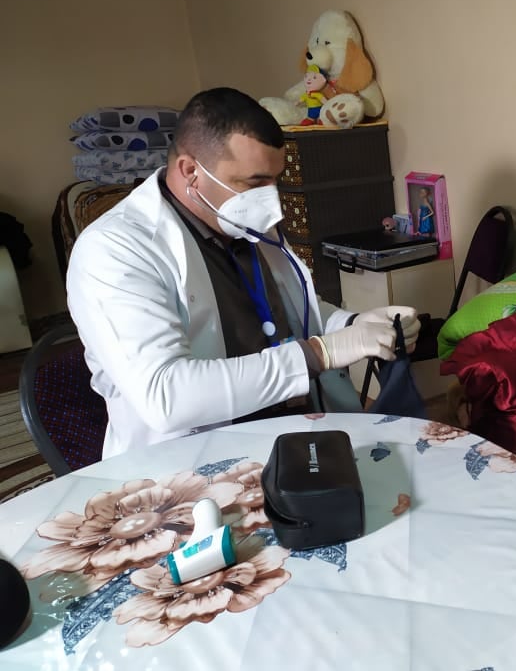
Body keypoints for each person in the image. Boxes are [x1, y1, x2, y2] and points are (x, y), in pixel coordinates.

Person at [67, 87, 420, 458]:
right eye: (255, 183)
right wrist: (318, 353)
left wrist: (352, 324)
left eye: (275, 179)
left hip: (296, 431)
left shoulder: (238, 218)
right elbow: (166, 396)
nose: (271, 199)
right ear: (191, 171)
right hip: (193, 460)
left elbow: (291, 309)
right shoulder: (115, 250)